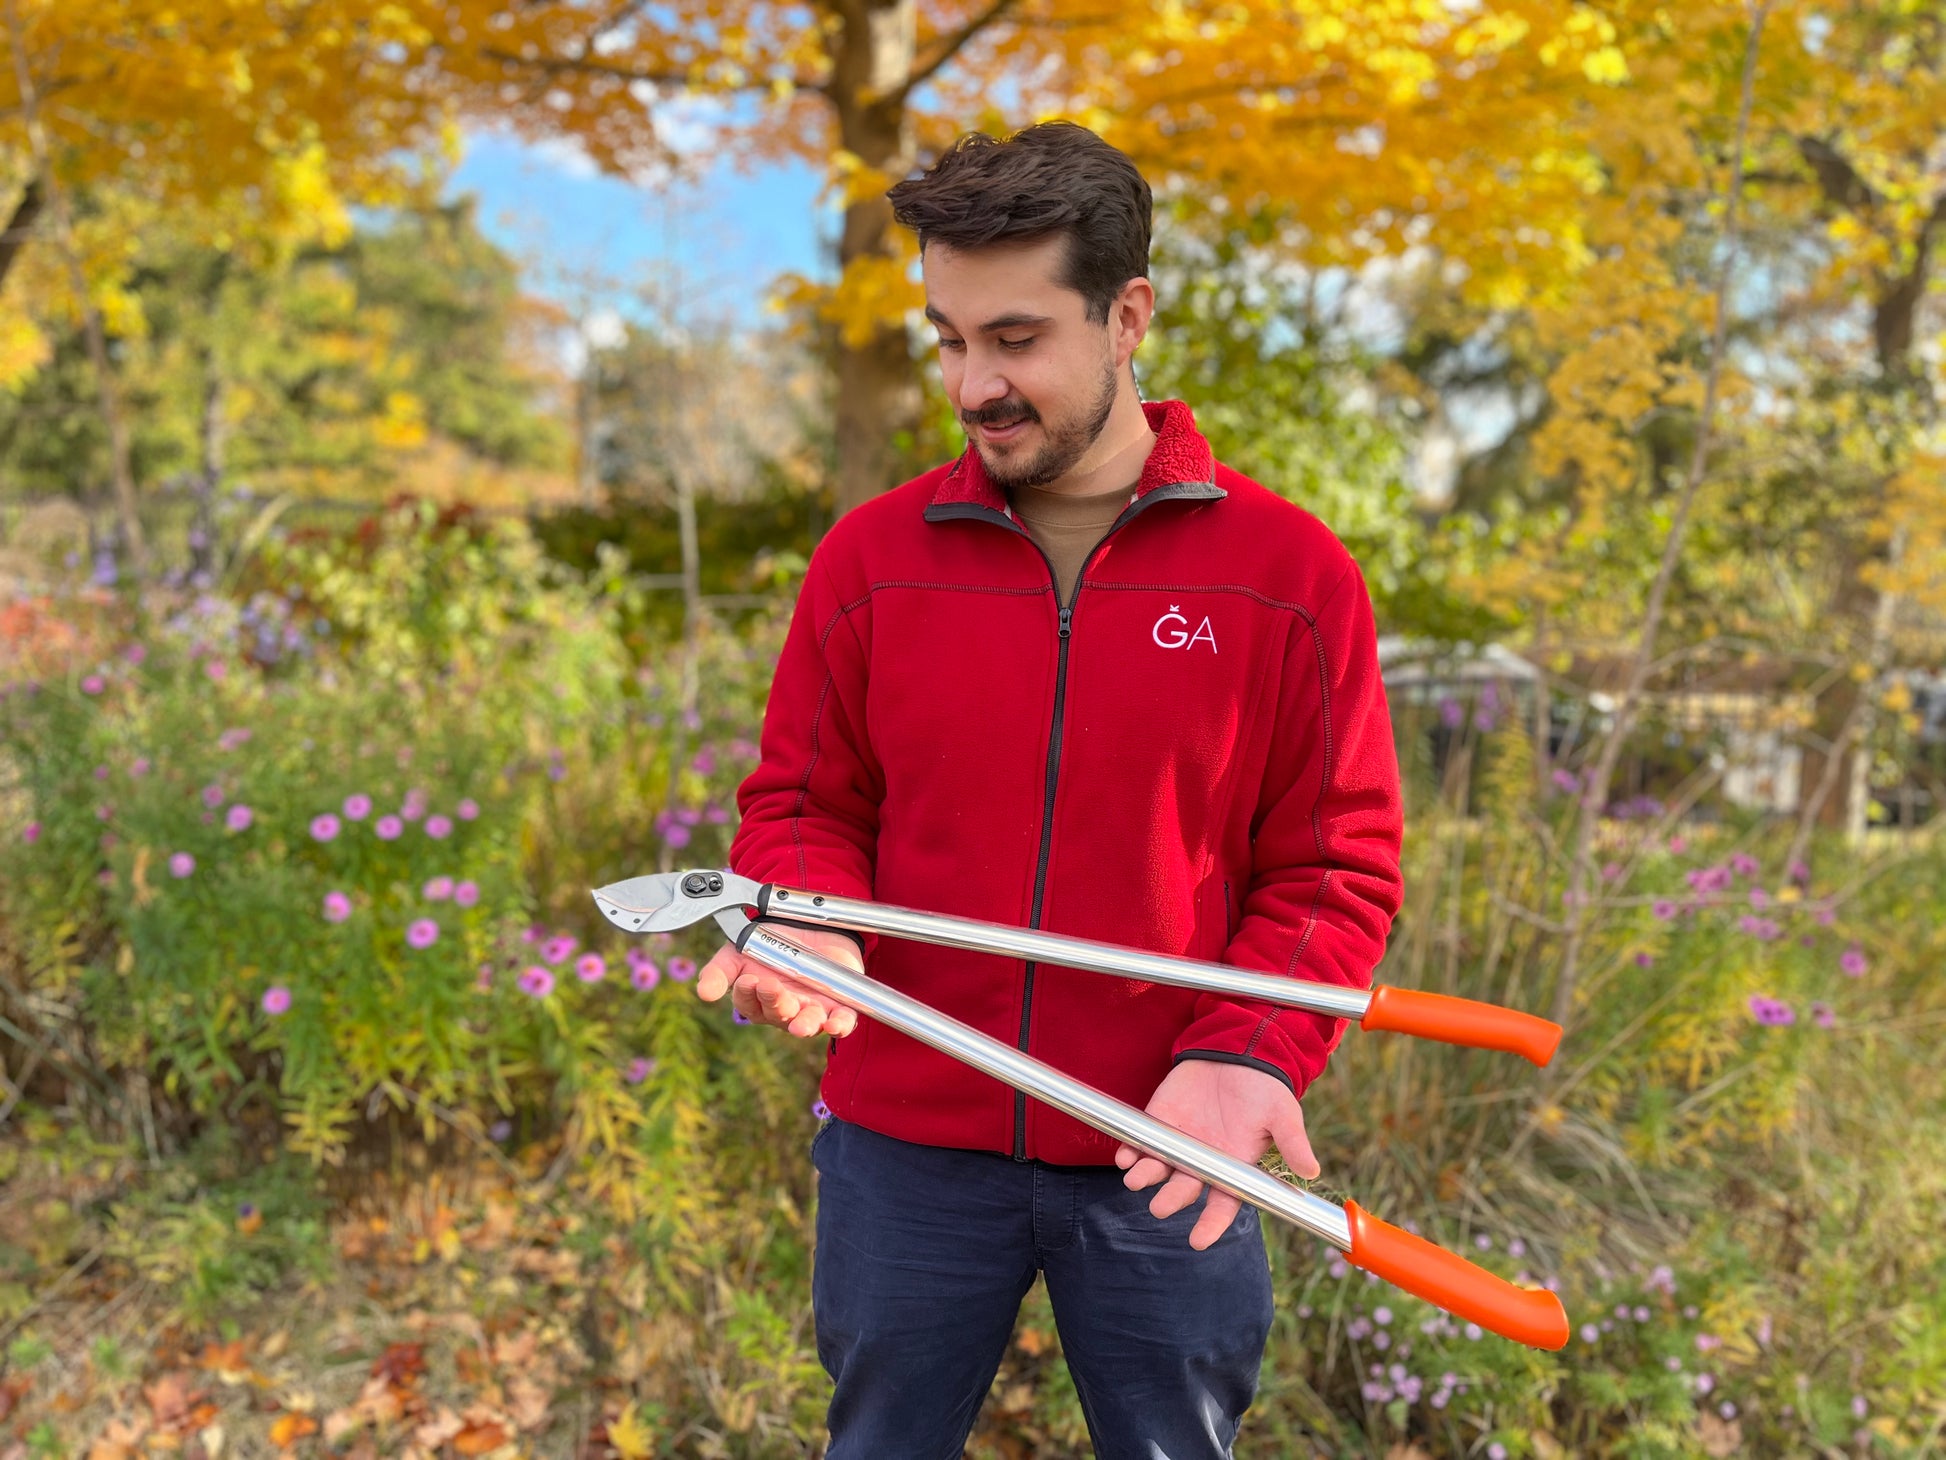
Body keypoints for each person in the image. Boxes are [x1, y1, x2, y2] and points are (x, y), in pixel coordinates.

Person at [696, 120, 1405, 1458]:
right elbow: (803, 802)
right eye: (948, 338)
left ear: (1125, 314)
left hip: (1164, 1143)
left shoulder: (1287, 575)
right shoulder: (868, 561)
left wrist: (1241, 1056)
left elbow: (1331, 871)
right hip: (904, 1142)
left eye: (1014, 338)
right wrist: (806, 914)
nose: (972, 383)